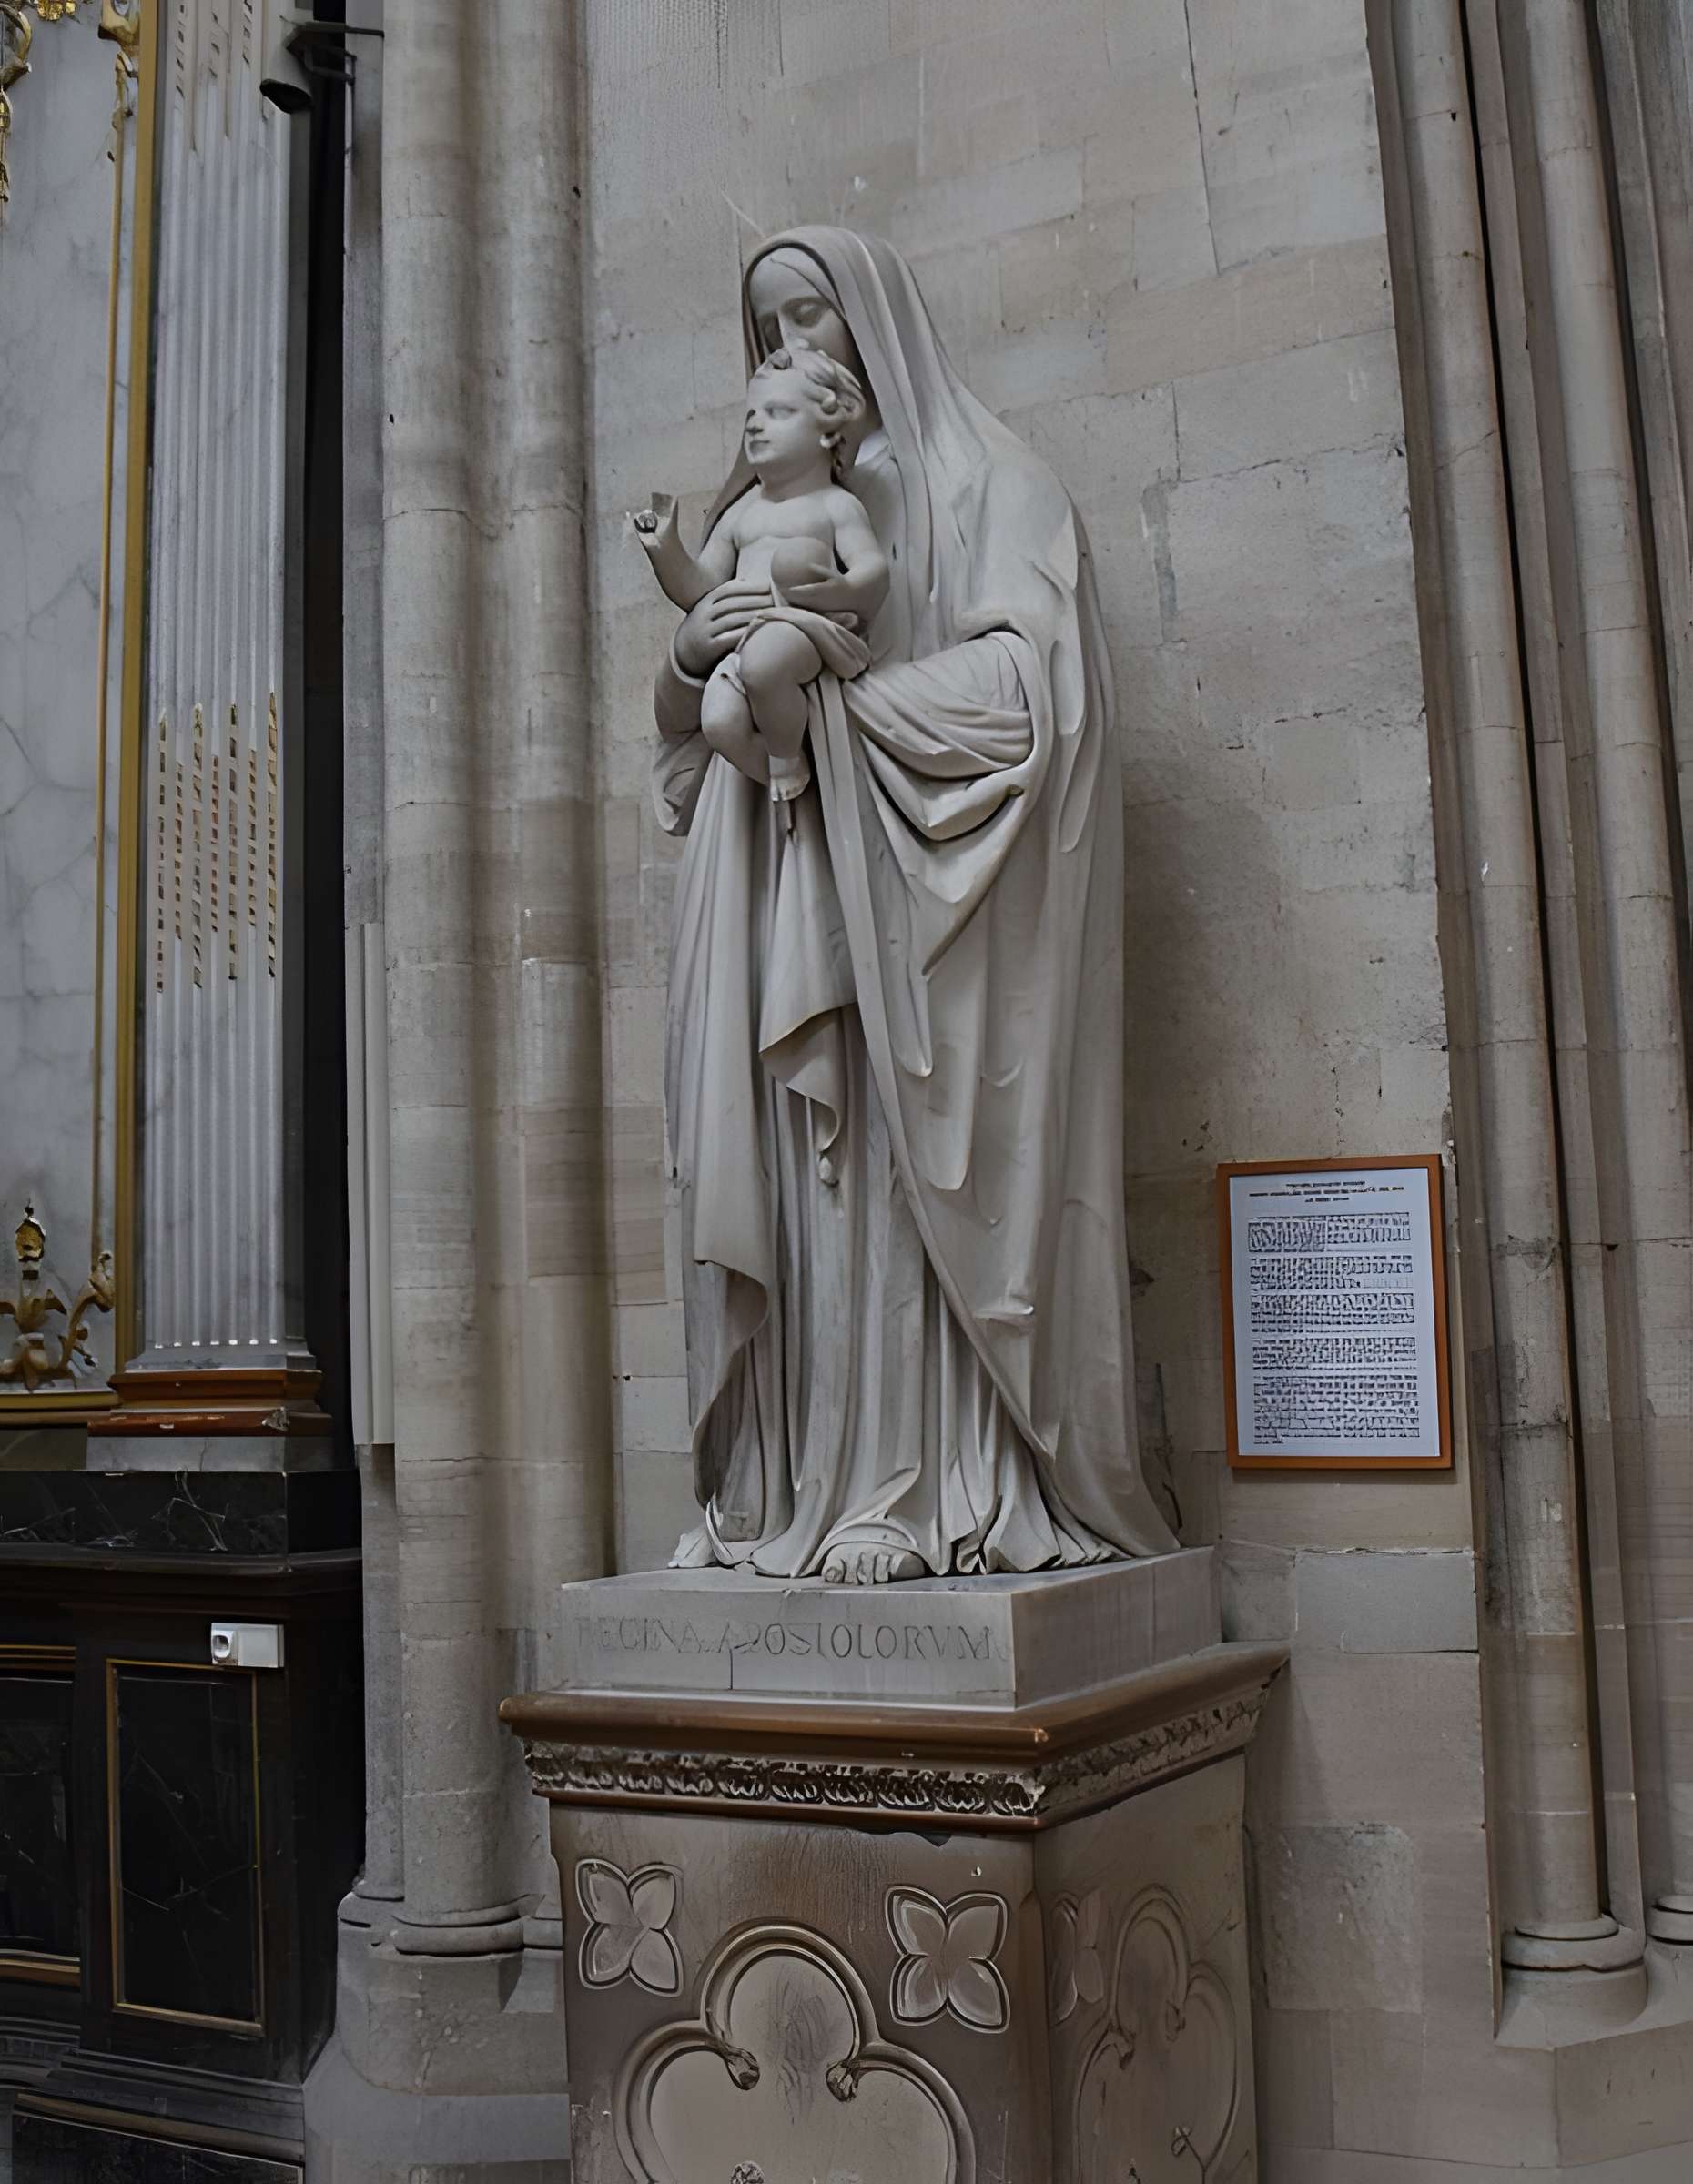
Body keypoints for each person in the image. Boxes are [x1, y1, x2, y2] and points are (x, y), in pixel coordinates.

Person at [653, 228, 1177, 1585]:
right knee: (792, 1190)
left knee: (880, 1188)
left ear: (874, 319)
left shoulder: (991, 484)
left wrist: (839, 712)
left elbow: (1035, 701)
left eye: (811, 317)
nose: (788, 353)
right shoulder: (758, 510)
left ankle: (911, 1486)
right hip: (772, 877)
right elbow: (675, 741)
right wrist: (691, 650)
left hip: (912, 914)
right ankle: (777, 1495)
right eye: (765, 331)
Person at [633, 345, 887, 805]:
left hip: (803, 629)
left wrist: (843, 589)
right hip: (745, 641)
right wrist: (665, 551)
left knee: (766, 663)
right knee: (719, 720)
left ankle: (788, 756)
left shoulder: (834, 505)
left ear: (828, 431)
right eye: (751, 413)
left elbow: (873, 569)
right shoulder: (743, 514)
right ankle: (781, 776)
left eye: (778, 411)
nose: (754, 423)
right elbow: (702, 587)